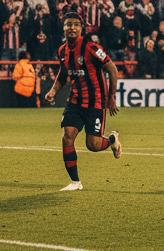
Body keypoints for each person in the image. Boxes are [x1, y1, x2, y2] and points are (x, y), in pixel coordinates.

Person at [44, 12, 122, 191]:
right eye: (68, 24)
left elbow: (113, 70)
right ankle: (75, 182)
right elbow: (64, 74)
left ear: (81, 28)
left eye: (75, 25)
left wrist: (110, 98)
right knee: (67, 137)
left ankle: (112, 140)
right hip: (75, 102)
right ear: (63, 28)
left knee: (93, 145)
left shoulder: (92, 48)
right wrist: (53, 91)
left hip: (95, 103)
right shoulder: (62, 50)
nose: (71, 27)